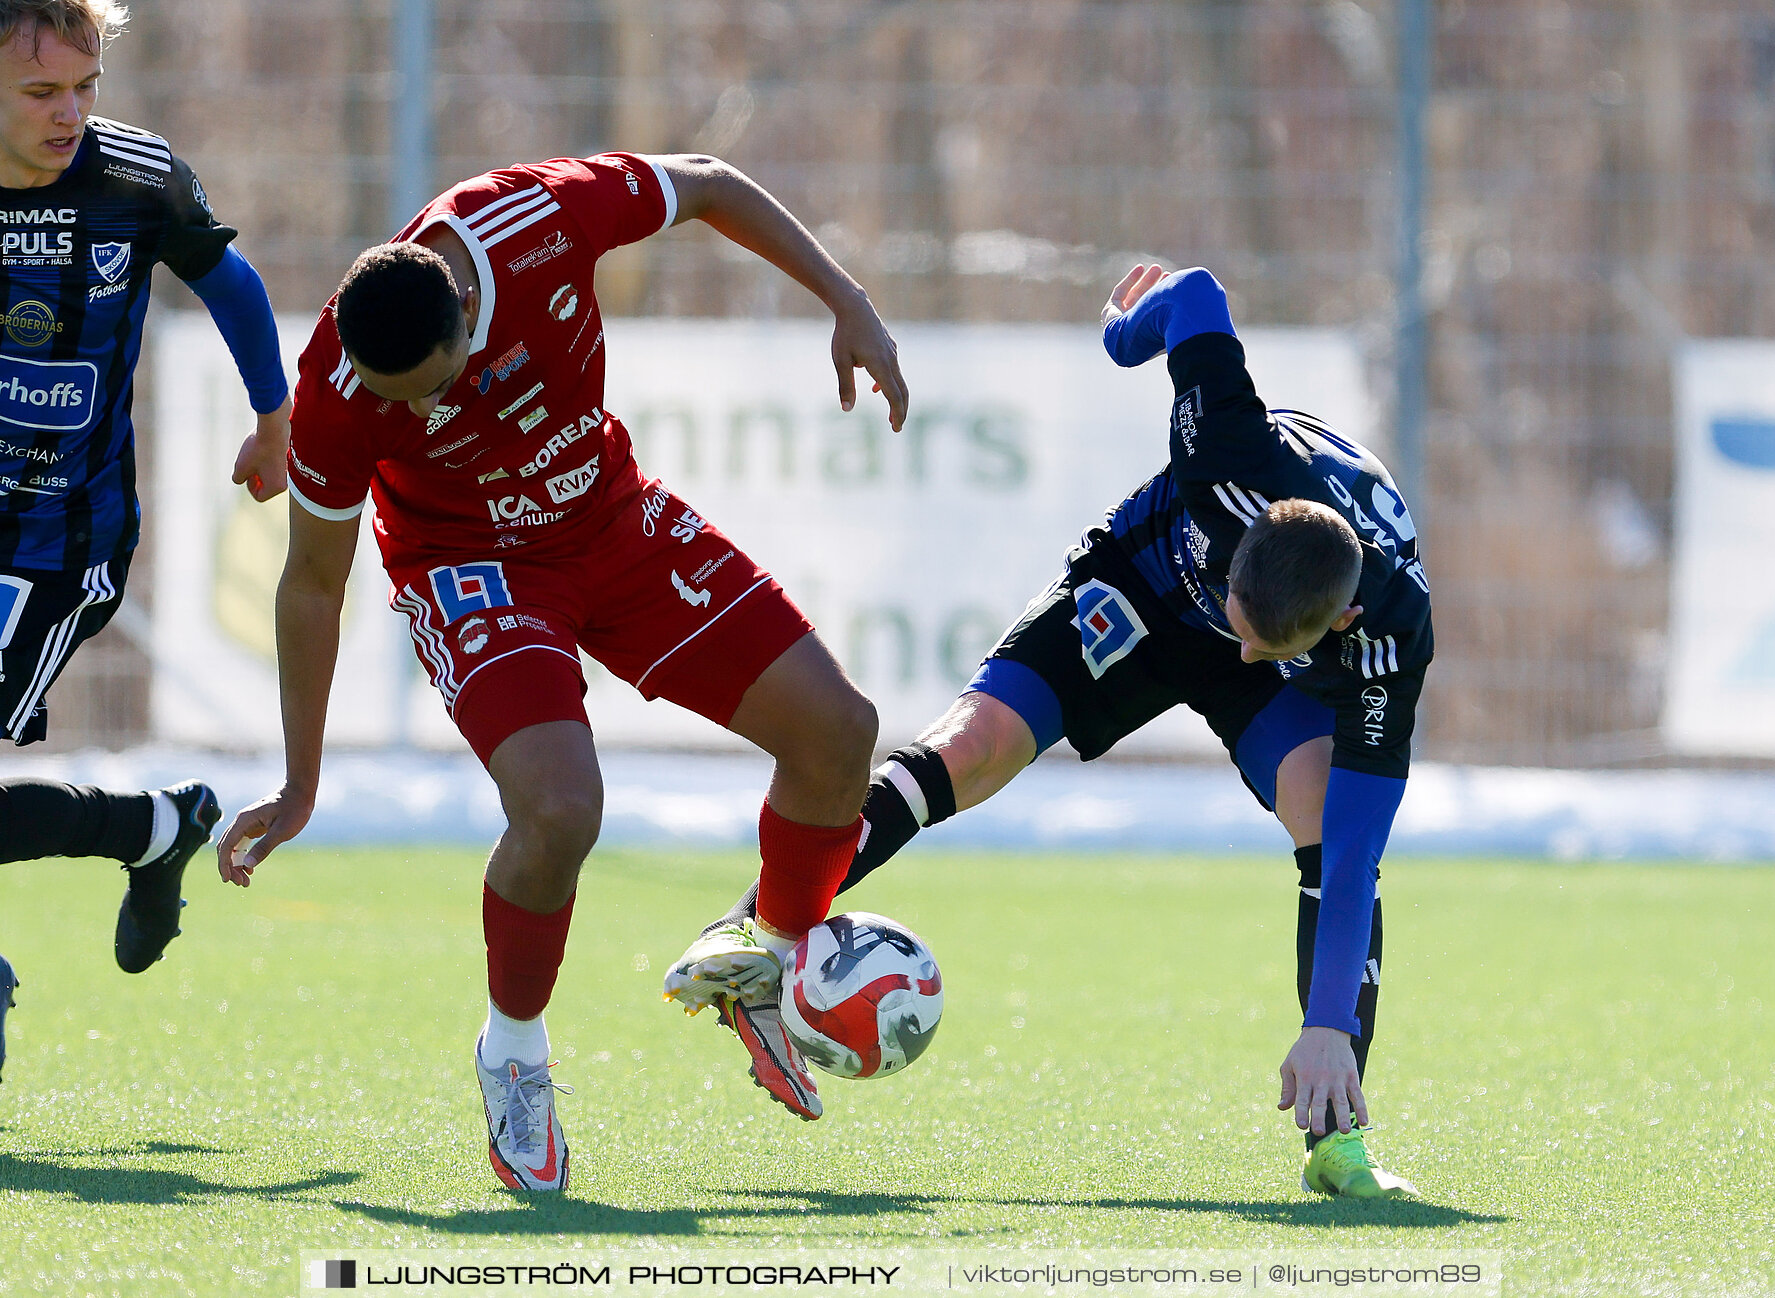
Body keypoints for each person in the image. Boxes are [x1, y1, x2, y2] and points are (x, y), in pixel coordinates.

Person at [214, 149, 908, 1193]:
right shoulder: (339, 387)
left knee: (839, 733)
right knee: (560, 808)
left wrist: (848, 301)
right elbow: (312, 582)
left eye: (435, 386)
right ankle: (514, 1051)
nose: (423, 411)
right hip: (473, 567)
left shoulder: (537, 220)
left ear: (462, 314)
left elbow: (714, 181)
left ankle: (764, 956)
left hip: (614, 520)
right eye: (402, 402)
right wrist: (303, 778)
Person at [684, 263, 1433, 1200]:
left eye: (1263, 640)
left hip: (1268, 658)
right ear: (1240, 545)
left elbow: (1361, 851)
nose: (1238, 647)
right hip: (1146, 581)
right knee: (975, 745)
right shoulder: (1228, 446)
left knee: (1329, 822)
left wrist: (1327, 1020)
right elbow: (1195, 295)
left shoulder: (1393, 641)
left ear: (1333, 626)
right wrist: (1123, 334)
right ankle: (751, 930)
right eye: (1239, 616)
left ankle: (1338, 1140)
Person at [0, 0, 290, 1067]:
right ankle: (155, 828)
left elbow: (232, 280)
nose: (70, 112)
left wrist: (274, 417)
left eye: (84, 88)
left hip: (57, 544)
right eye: (41, 92)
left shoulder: (134, 178)